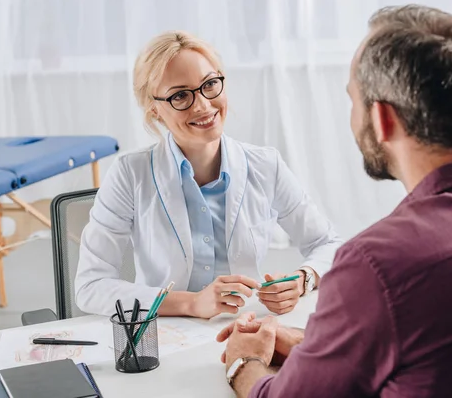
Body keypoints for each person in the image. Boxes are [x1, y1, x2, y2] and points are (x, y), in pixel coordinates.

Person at [217, 5, 452, 398]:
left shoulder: (376, 265)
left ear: (382, 118)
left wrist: (245, 362)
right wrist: (314, 344)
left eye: (353, 100)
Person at [74, 31, 343, 319]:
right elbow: (91, 286)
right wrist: (190, 304)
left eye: (210, 84)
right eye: (180, 95)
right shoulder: (130, 173)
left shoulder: (265, 165)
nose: (203, 105)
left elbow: (329, 244)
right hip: (161, 335)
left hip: (244, 327)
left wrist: (303, 279)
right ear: (154, 109)